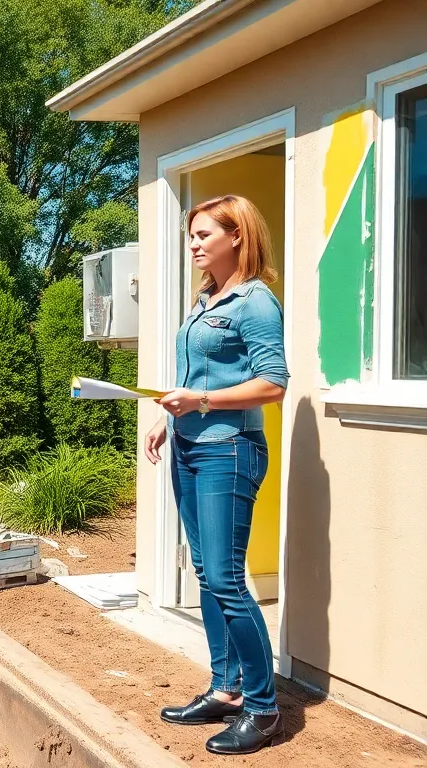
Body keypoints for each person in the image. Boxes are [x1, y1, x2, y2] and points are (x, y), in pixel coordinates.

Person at [145, 195, 288, 756]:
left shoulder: (255, 302)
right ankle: (226, 689)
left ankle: (263, 706)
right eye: (192, 235)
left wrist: (201, 400)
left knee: (226, 579)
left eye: (205, 234)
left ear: (237, 237)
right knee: (207, 574)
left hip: (229, 450)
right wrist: (165, 415)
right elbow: (194, 375)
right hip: (189, 447)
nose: (195, 243)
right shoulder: (207, 299)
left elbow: (274, 384)